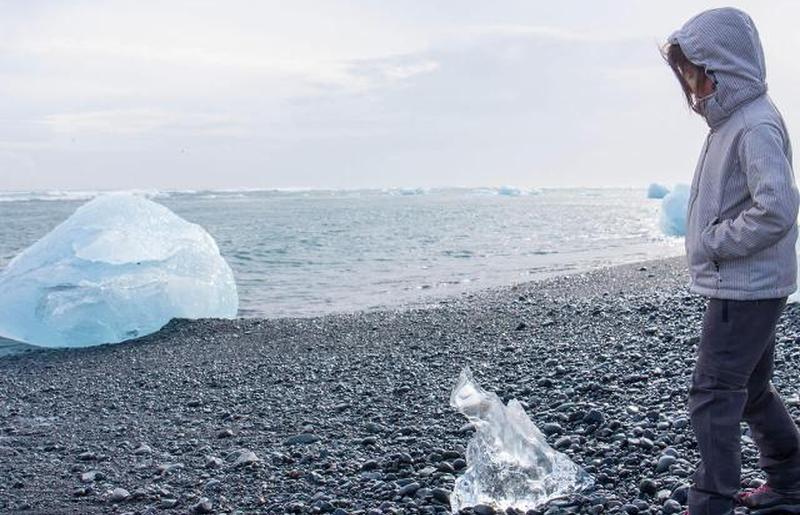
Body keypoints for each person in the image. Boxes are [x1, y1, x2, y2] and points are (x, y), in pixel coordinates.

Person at [662, 7, 800, 515]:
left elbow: (779, 208)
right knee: (752, 388)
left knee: (713, 394)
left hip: (744, 286)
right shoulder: (733, 121)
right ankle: (790, 480)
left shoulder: (753, 124)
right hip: (752, 282)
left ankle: (710, 503)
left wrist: (717, 241)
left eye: (691, 71)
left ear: (719, 66)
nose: (687, 84)